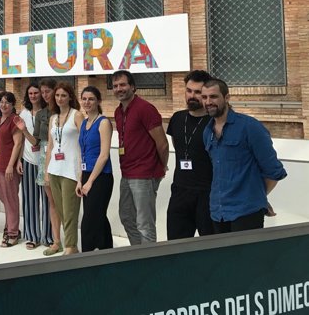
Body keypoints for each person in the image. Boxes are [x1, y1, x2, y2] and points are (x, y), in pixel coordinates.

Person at [201, 78, 287, 233]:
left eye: (213, 97)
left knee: (248, 258)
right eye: (204, 97)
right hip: (217, 213)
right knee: (224, 258)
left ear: (227, 98)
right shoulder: (207, 132)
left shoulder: (250, 127)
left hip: (246, 213)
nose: (208, 102)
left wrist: (257, 198)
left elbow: (274, 172)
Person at [112, 70, 169, 245]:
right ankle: (138, 253)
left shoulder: (145, 109)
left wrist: (161, 167)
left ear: (133, 87)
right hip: (127, 172)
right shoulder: (118, 111)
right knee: (127, 217)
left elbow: (163, 143)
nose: (119, 89)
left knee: (144, 224)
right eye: (115, 86)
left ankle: (150, 262)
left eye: (123, 85)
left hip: (145, 173)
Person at [166, 70, 214, 240]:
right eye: (189, 91)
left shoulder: (214, 122)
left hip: (208, 193)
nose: (192, 96)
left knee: (210, 247)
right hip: (180, 190)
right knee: (175, 245)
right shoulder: (177, 118)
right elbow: (178, 147)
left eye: (198, 92)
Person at [44, 83, 83, 255]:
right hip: (55, 169)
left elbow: (84, 143)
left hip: (71, 170)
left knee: (70, 211)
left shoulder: (77, 115)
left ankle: (70, 246)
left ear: (70, 97)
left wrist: (82, 172)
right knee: (60, 210)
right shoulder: (53, 118)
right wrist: (46, 171)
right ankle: (71, 246)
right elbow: (51, 146)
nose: (60, 98)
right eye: (58, 95)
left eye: (64, 95)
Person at [14, 83, 52, 250]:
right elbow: (20, 140)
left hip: (46, 161)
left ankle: (48, 236)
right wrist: (18, 161)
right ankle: (32, 236)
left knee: (48, 201)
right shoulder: (23, 114)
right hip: (28, 160)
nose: (34, 95)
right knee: (30, 200)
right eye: (30, 93)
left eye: (37, 92)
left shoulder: (49, 113)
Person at [76, 86, 114, 251]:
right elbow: (82, 153)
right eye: (84, 99)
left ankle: (88, 255)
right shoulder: (84, 123)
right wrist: (80, 180)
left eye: (91, 99)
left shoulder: (103, 122)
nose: (87, 102)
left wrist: (90, 181)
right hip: (86, 174)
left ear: (98, 101)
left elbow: (104, 155)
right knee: (98, 217)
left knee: (90, 220)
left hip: (101, 176)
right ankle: (106, 250)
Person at [0, 92, 24, 248]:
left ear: (13, 104)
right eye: (1, 102)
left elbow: (18, 144)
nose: (4, 105)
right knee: (4, 198)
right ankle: (9, 227)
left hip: (8, 167)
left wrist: (11, 165)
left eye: (7, 102)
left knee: (11, 199)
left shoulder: (15, 120)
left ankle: (13, 232)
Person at [32, 78, 62, 256]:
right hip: (45, 156)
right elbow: (36, 141)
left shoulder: (67, 112)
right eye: (42, 92)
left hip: (64, 156)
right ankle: (56, 241)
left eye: (47, 91)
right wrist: (24, 131)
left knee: (64, 201)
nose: (44, 95)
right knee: (52, 202)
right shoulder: (41, 114)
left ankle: (70, 239)